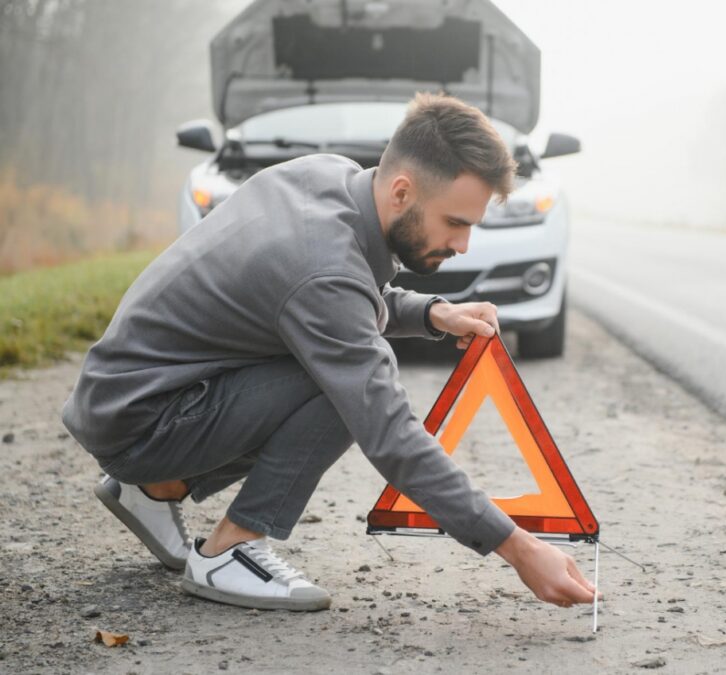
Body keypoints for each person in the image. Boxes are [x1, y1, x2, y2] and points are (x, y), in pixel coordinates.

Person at [61, 93, 597, 612]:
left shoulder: (327, 177)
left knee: (337, 366)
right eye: (455, 223)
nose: (463, 246)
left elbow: (329, 293)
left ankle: (158, 489)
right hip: (143, 422)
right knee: (345, 392)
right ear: (403, 191)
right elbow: (388, 429)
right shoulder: (324, 271)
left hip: (128, 397)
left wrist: (431, 312)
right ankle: (228, 550)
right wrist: (519, 547)